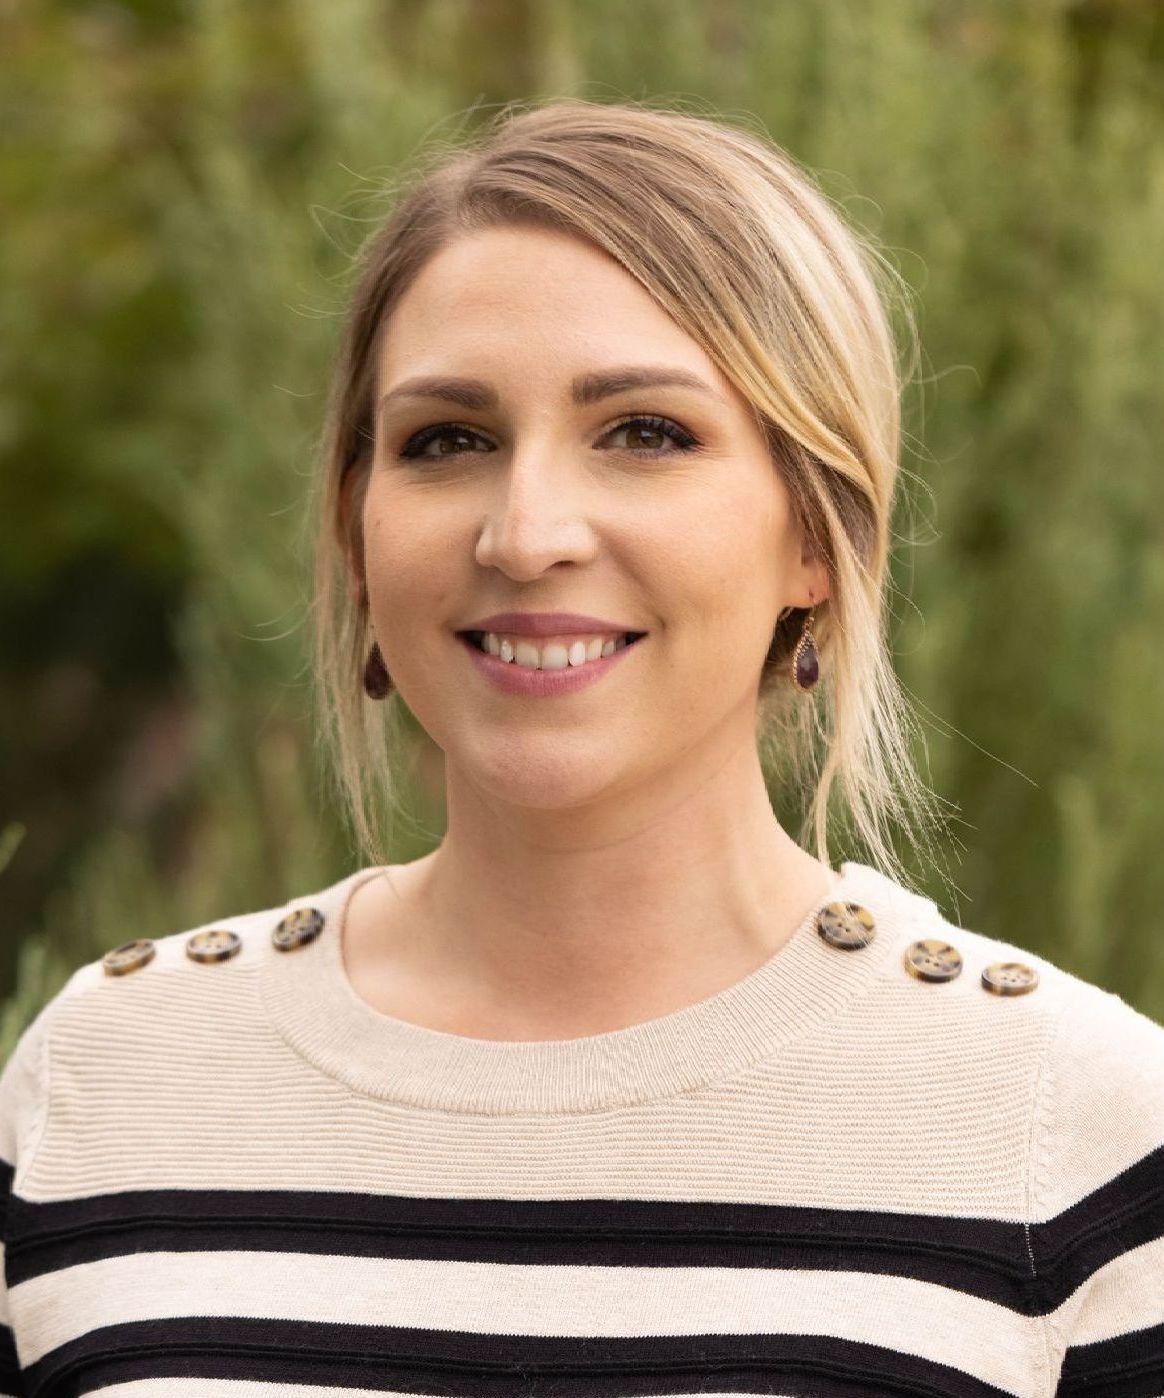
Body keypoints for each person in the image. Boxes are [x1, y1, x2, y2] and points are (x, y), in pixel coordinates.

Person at [2, 97, 1161, 1397]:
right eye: (448, 440)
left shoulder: (1076, 1129)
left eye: (645, 432)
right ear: (355, 527)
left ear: (813, 537)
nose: (526, 530)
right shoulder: (102, 1075)